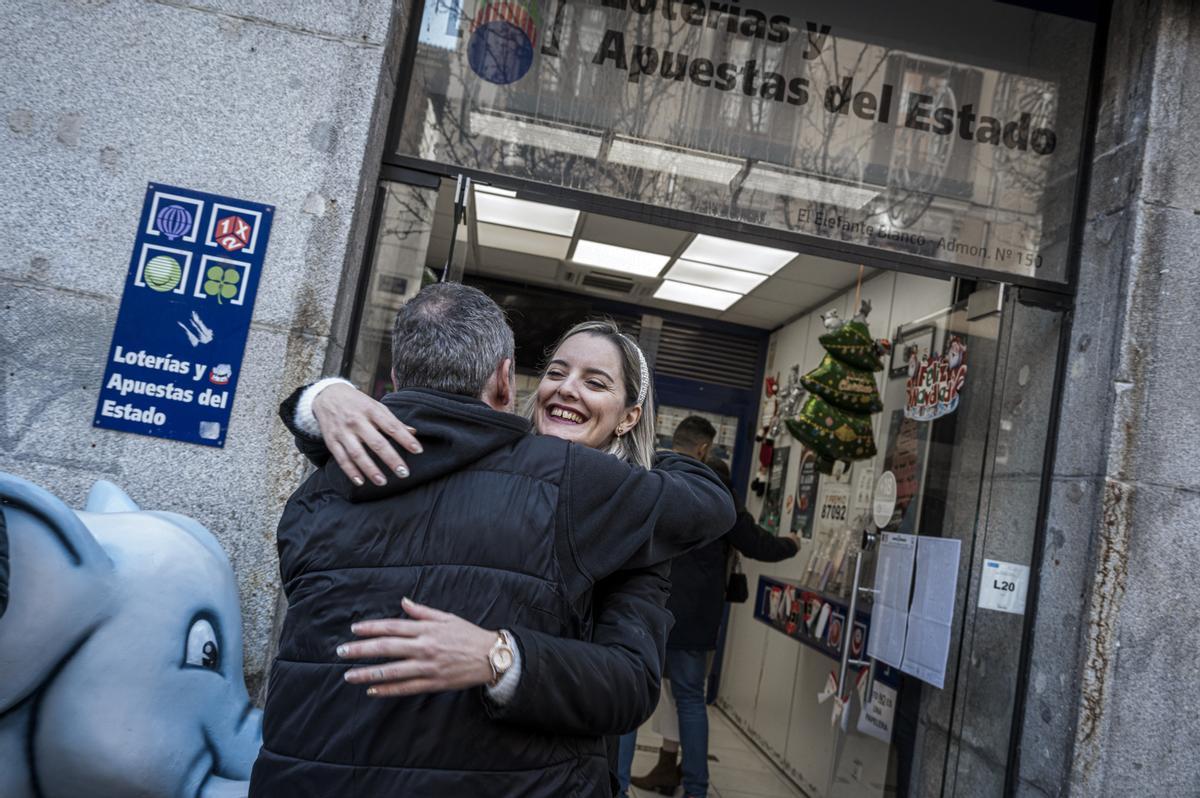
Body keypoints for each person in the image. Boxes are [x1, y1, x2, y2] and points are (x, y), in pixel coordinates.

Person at [250, 284, 735, 797]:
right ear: (510, 382)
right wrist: (325, 400)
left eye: (595, 382)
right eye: (555, 373)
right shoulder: (523, 468)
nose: (567, 389)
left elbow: (631, 684)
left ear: (630, 416)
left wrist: (499, 656)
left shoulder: (621, 506)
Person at [621, 418, 801, 798]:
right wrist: (791, 545)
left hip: (645, 605)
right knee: (689, 698)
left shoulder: (650, 472)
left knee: (631, 692)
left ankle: (617, 782)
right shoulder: (713, 486)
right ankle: (697, 789)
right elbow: (752, 541)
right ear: (704, 448)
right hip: (694, 615)